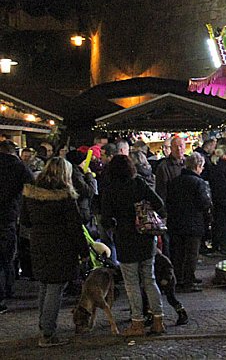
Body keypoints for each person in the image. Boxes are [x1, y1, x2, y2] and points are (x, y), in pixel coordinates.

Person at [20, 158, 87, 347]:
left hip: (39, 244)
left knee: (44, 285)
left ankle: (44, 326)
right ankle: (48, 333)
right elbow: (75, 227)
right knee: (55, 288)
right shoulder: (65, 196)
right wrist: (83, 252)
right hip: (61, 247)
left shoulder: (31, 193)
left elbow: (24, 220)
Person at [100, 155, 166, 337]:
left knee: (131, 283)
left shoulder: (110, 189)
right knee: (149, 279)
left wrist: (115, 226)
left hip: (125, 239)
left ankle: (137, 322)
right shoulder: (139, 183)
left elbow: (105, 218)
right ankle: (158, 320)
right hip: (145, 238)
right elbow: (159, 203)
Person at [166, 154, 212, 292]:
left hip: (176, 222)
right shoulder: (199, 183)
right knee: (191, 253)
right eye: (202, 167)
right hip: (193, 223)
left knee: (178, 253)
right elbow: (204, 203)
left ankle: (178, 278)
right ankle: (188, 280)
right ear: (197, 166)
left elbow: (168, 202)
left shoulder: (175, 181)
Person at [0, 140, 33, 314]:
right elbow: (32, 186)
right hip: (8, 216)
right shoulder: (19, 167)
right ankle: (6, 290)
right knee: (7, 256)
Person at [154, 136, 186, 202]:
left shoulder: (189, 162)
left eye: (181, 146)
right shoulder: (163, 167)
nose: (179, 149)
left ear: (185, 147)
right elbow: (161, 191)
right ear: (171, 148)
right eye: (175, 146)